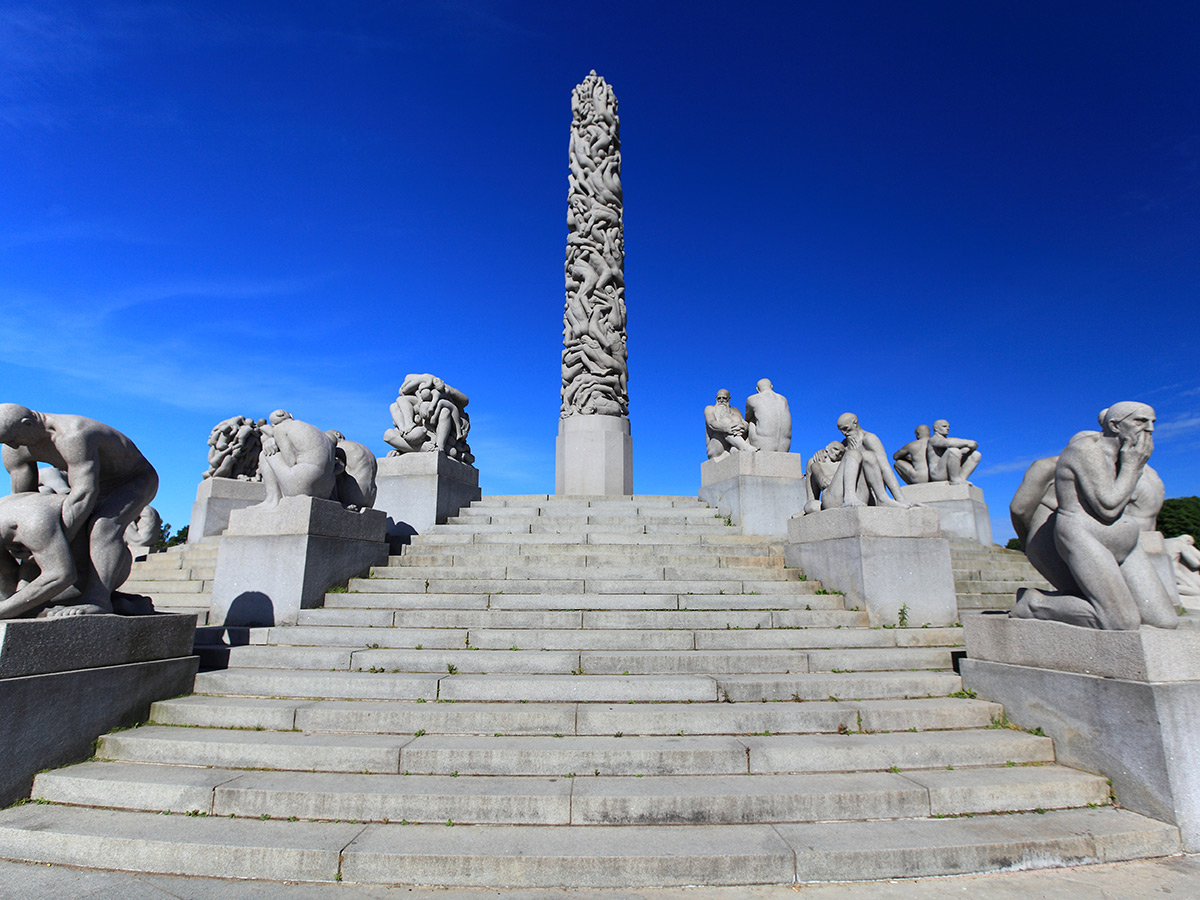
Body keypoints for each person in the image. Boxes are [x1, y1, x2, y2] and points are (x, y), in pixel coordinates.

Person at [1011, 402, 1177, 630]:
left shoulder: (1127, 455)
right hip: (1086, 536)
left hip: (1125, 538)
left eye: (1152, 422)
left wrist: (1131, 464)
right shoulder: (1086, 451)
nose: (1150, 429)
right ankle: (1035, 603)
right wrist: (1031, 544)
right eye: (1140, 421)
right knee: (1121, 621)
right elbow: (1107, 507)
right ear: (1115, 425)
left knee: (1164, 621)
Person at [0, 404, 158, 614]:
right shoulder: (13, 445)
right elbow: (26, 502)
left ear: (28, 424)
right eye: (6, 442)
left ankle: (98, 599)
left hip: (131, 480)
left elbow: (84, 494)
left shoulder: (73, 434)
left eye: (13, 439)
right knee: (43, 531)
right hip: (87, 483)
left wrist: (55, 539)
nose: (12, 445)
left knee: (104, 526)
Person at [0, 492, 78, 619]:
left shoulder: (33, 523)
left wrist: (4, 609)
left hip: (86, 567)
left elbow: (61, 575)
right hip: (42, 556)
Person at [824, 413, 911, 509]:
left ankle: (882, 498)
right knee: (853, 454)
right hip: (836, 496)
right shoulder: (844, 444)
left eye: (846, 428)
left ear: (855, 423)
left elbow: (885, 467)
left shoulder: (869, 439)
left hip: (862, 496)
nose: (844, 433)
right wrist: (823, 452)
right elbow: (830, 460)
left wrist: (900, 499)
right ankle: (849, 496)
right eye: (841, 430)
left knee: (868, 456)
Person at [255, 410, 336, 509]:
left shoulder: (280, 428)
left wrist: (271, 442)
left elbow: (290, 461)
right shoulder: (317, 431)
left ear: (273, 424)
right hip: (326, 489)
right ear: (291, 416)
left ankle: (272, 500)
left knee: (266, 452)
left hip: (302, 484)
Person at [704, 390, 757, 461]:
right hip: (716, 448)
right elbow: (711, 423)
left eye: (724, 398)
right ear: (716, 398)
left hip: (732, 442)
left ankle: (735, 447)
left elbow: (744, 423)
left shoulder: (735, 410)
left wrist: (743, 427)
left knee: (736, 419)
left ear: (729, 399)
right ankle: (743, 446)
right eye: (719, 398)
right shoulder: (710, 409)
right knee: (725, 421)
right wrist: (726, 428)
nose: (721, 401)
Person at [926, 420, 980, 484]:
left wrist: (969, 446)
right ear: (936, 428)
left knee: (975, 455)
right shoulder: (933, 440)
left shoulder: (950, 440)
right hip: (937, 474)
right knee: (953, 451)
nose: (947, 428)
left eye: (948, 426)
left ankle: (962, 478)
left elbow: (957, 445)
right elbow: (948, 443)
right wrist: (968, 443)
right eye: (944, 426)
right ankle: (954, 479)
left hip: (949, 470)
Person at [744, 379, 792, 452]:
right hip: (785, 446)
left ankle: (747, 447)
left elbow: (747, 417)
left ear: (757, 389)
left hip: (762, 445)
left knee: (751, 421)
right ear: (771, 387)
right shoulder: (783, 399)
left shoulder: (752, 399)